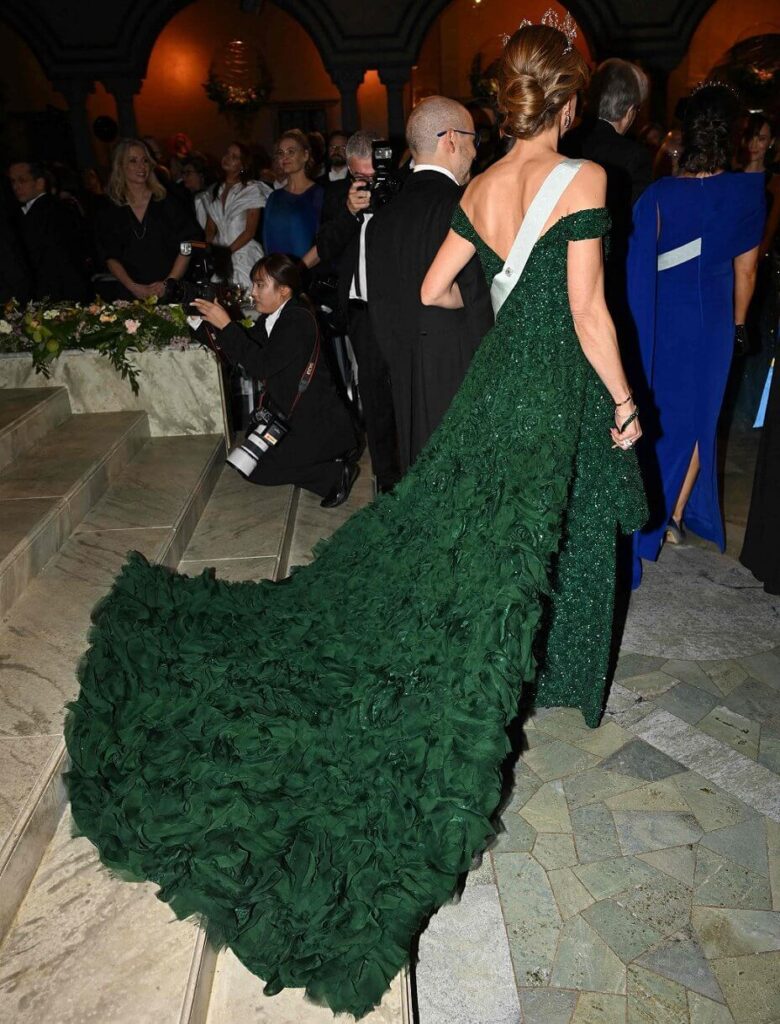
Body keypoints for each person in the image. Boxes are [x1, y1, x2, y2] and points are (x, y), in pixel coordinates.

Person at [65, 24, 646, 1019]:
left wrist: (508, 316)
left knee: (483, 548)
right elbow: (591, 314)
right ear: (568, 101)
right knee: (527, 548)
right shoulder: (583, 182)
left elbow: (429, 290)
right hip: (548, 394)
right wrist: (625, 402)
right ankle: (524, 689)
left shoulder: (480, 188)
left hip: (496, 389)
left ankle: (522, 669)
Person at [627, 84, 764, 584]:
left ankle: (651, 517)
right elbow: (746, 274)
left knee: (659, 414)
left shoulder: (659, 194)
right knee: (698, 420)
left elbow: (639, 265)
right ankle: (674, 516)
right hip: (711, 326)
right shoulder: (748, 192)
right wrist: (739, 324)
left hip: (661, 320)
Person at [367, 96, 493, 470]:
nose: (474, 151)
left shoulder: (382, 219)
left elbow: (379, 308)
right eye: (473, 139)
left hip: (403, 372)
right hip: (459, 373)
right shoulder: (464, 205)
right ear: (451, 139)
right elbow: (480, 298)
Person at [191, 254, 360, 504]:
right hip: (291, 418)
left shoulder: (297, 320)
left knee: (257, 468)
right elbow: (240, 348)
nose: (253, 292)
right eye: (254, 284)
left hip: (317, 426)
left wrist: (227, 325)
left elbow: (262, 365)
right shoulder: (274, 319)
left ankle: (333, 473)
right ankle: (323, 466)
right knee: (247, 462)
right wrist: (198, 323)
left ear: (283, 290)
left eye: (260, 285)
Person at [314, 130, 402, 491]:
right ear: (349, 171)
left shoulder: (401, 187)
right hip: (361, 308)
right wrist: (350, 213)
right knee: (374, 393)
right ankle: (386, 477)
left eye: (374, 175)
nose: (369, 183)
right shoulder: (337, 196)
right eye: (361, 177)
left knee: (406, 390)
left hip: (400, 306)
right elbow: (324, 247)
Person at [94, 138, 201, 300]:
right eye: (133, 161)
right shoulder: (110, 208)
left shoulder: (168, 200)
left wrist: (169, 282)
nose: (141, 166)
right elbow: (109, 255)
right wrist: (133, 287)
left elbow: (190, 243)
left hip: (172, 292)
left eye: (145, 160)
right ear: (120, 166)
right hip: (131, 295)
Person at [8, 159, 89, 301]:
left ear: (39, 183)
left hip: (56, 295)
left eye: (22, 181)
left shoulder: (49, 211)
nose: (16, 187)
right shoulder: (44, 209)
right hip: (63, 293)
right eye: (13, 182)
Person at [202, 141, 270, 290]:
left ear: (243, 165)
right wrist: (210, 251)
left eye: (234, 156)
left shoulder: (251, 189)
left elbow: (250, 231)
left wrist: (227, 253)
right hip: (220, 256)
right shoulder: (216, 190)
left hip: (243, 253)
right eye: (227, 153)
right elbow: (210, 229)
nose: (227, 158)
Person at [262, 130, 324, 258]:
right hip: (276, 273)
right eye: (281, 153)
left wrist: (298, 271)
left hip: (307, 273)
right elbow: (267, 241)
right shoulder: (274, 197)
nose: (285, 157)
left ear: (305, 155)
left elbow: (323, 243)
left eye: (291, 152)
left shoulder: (319, 194)